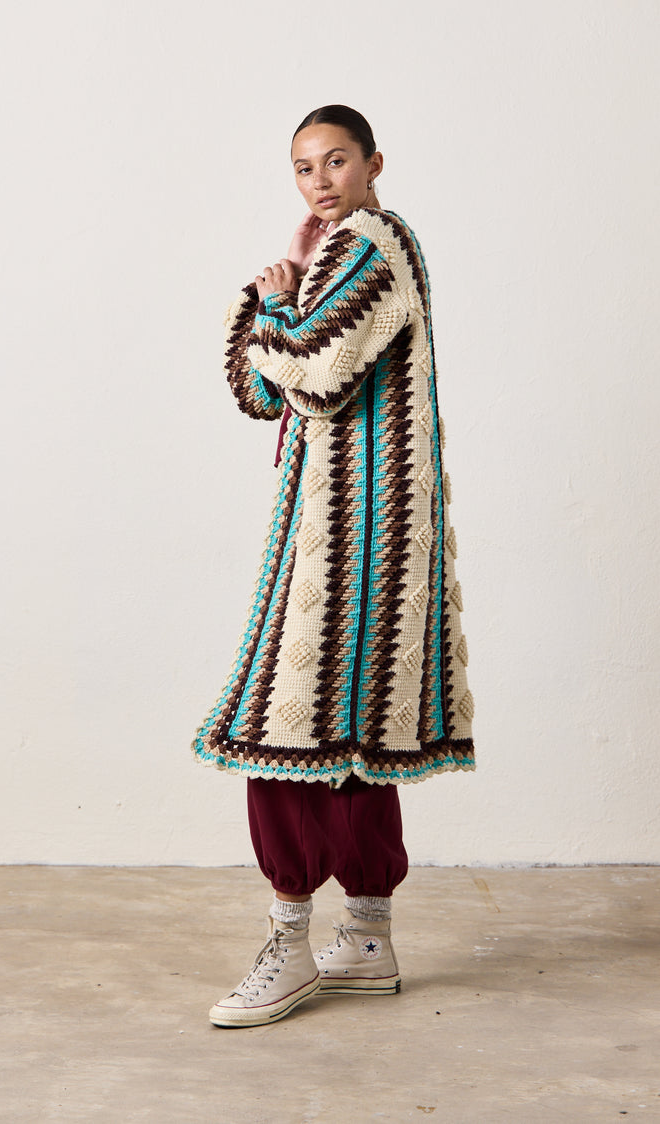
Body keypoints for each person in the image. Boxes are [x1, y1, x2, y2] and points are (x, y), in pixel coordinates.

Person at [192, 105, 475, 1028]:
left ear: (373, 163)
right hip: (348, 528)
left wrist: (276, 305)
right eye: (304, 167)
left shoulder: (370, 243)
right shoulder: (333, 253)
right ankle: (366, 935)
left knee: (282, 728)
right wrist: (283, 293)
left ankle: (291, 942)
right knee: (348, 733)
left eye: (337, 160)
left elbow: (312, 376)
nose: (320, 180)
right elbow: (255, 392)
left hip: (359, 531)